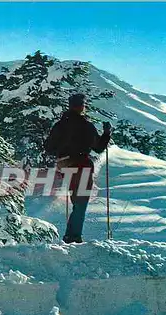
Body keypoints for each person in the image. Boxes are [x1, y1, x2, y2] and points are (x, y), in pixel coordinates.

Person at [45, 93, 112, 243]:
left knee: (77, 201)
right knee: (80, 202)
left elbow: (48, 147)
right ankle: (73, 236)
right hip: (81, 165)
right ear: (82, 107)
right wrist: (106, 134)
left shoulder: (59, 125)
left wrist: (62, 151)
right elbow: (99, 148)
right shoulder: (86, 126)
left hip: (66, 166)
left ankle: (71, 234)